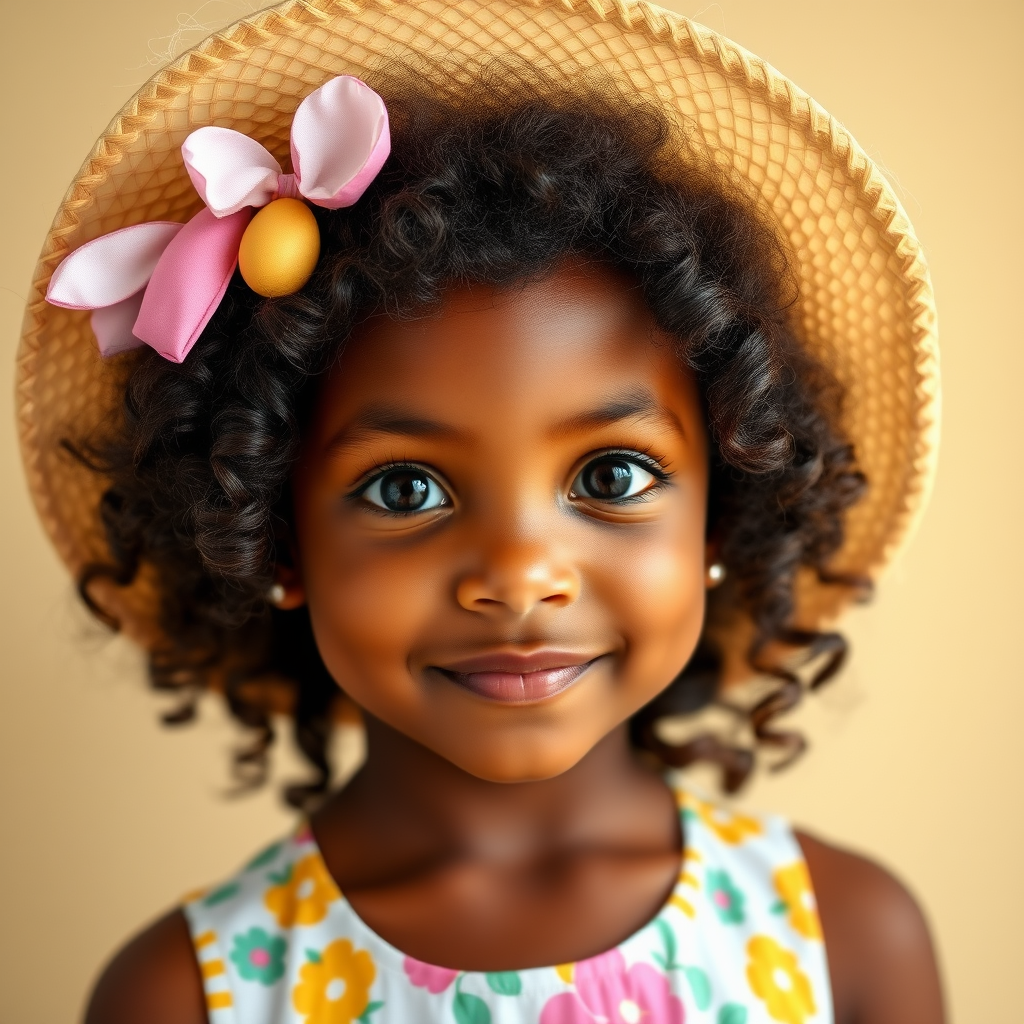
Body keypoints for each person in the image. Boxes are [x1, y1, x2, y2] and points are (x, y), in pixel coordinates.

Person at [16, 1, 945, 1022]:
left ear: (720, 514)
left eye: (612, 477)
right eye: (405, 488)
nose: (518, 573)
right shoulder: (187, 997)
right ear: (272, 538)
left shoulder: (848, 941)